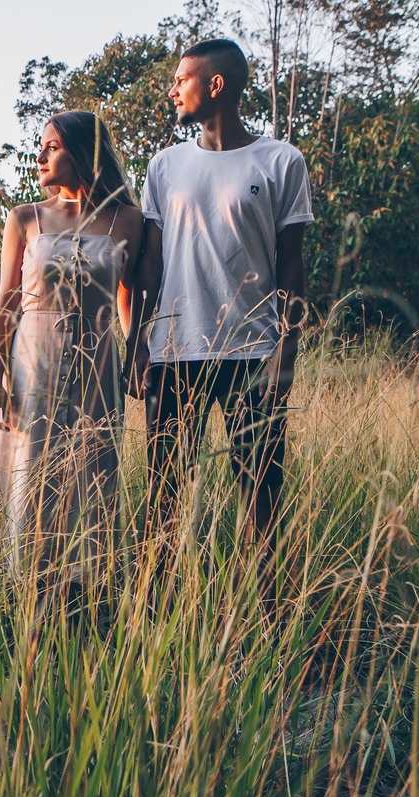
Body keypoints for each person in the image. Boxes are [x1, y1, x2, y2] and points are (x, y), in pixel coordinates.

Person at [120, 39, 312, 620]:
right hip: (174, 352)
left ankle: (271, 617)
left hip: (254, 354)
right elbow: (150, 266)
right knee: (164, 492)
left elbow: (293, 269)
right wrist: (138, 344)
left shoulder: (281, 161)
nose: (173, 90)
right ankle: (154, 616)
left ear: (217, 85)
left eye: (182, 79)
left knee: (261, 492)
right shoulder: (164, 166)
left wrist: (285, 354)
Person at [0, 111, 143, 607]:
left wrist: (135, 353)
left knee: (94, 473)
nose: (40, 156)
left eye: (52, 147)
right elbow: (6, 302)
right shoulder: (25, 218)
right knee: (33, 473)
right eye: (42, 147)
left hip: (99, 364)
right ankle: (29, 594)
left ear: (83, 153)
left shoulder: (128, 220)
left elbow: (128, 298)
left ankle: (85, 596)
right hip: (33, 362)